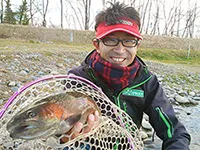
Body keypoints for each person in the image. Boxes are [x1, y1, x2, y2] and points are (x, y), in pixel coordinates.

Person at [67, 2, 191, 149]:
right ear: (97, 45)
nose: (120, 50)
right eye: (111, 40)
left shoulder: (147, 82)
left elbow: (175, 132)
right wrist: (66, 135)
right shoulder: (77, 79)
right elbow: (57, 126)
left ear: (137, 45)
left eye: (129, 41)